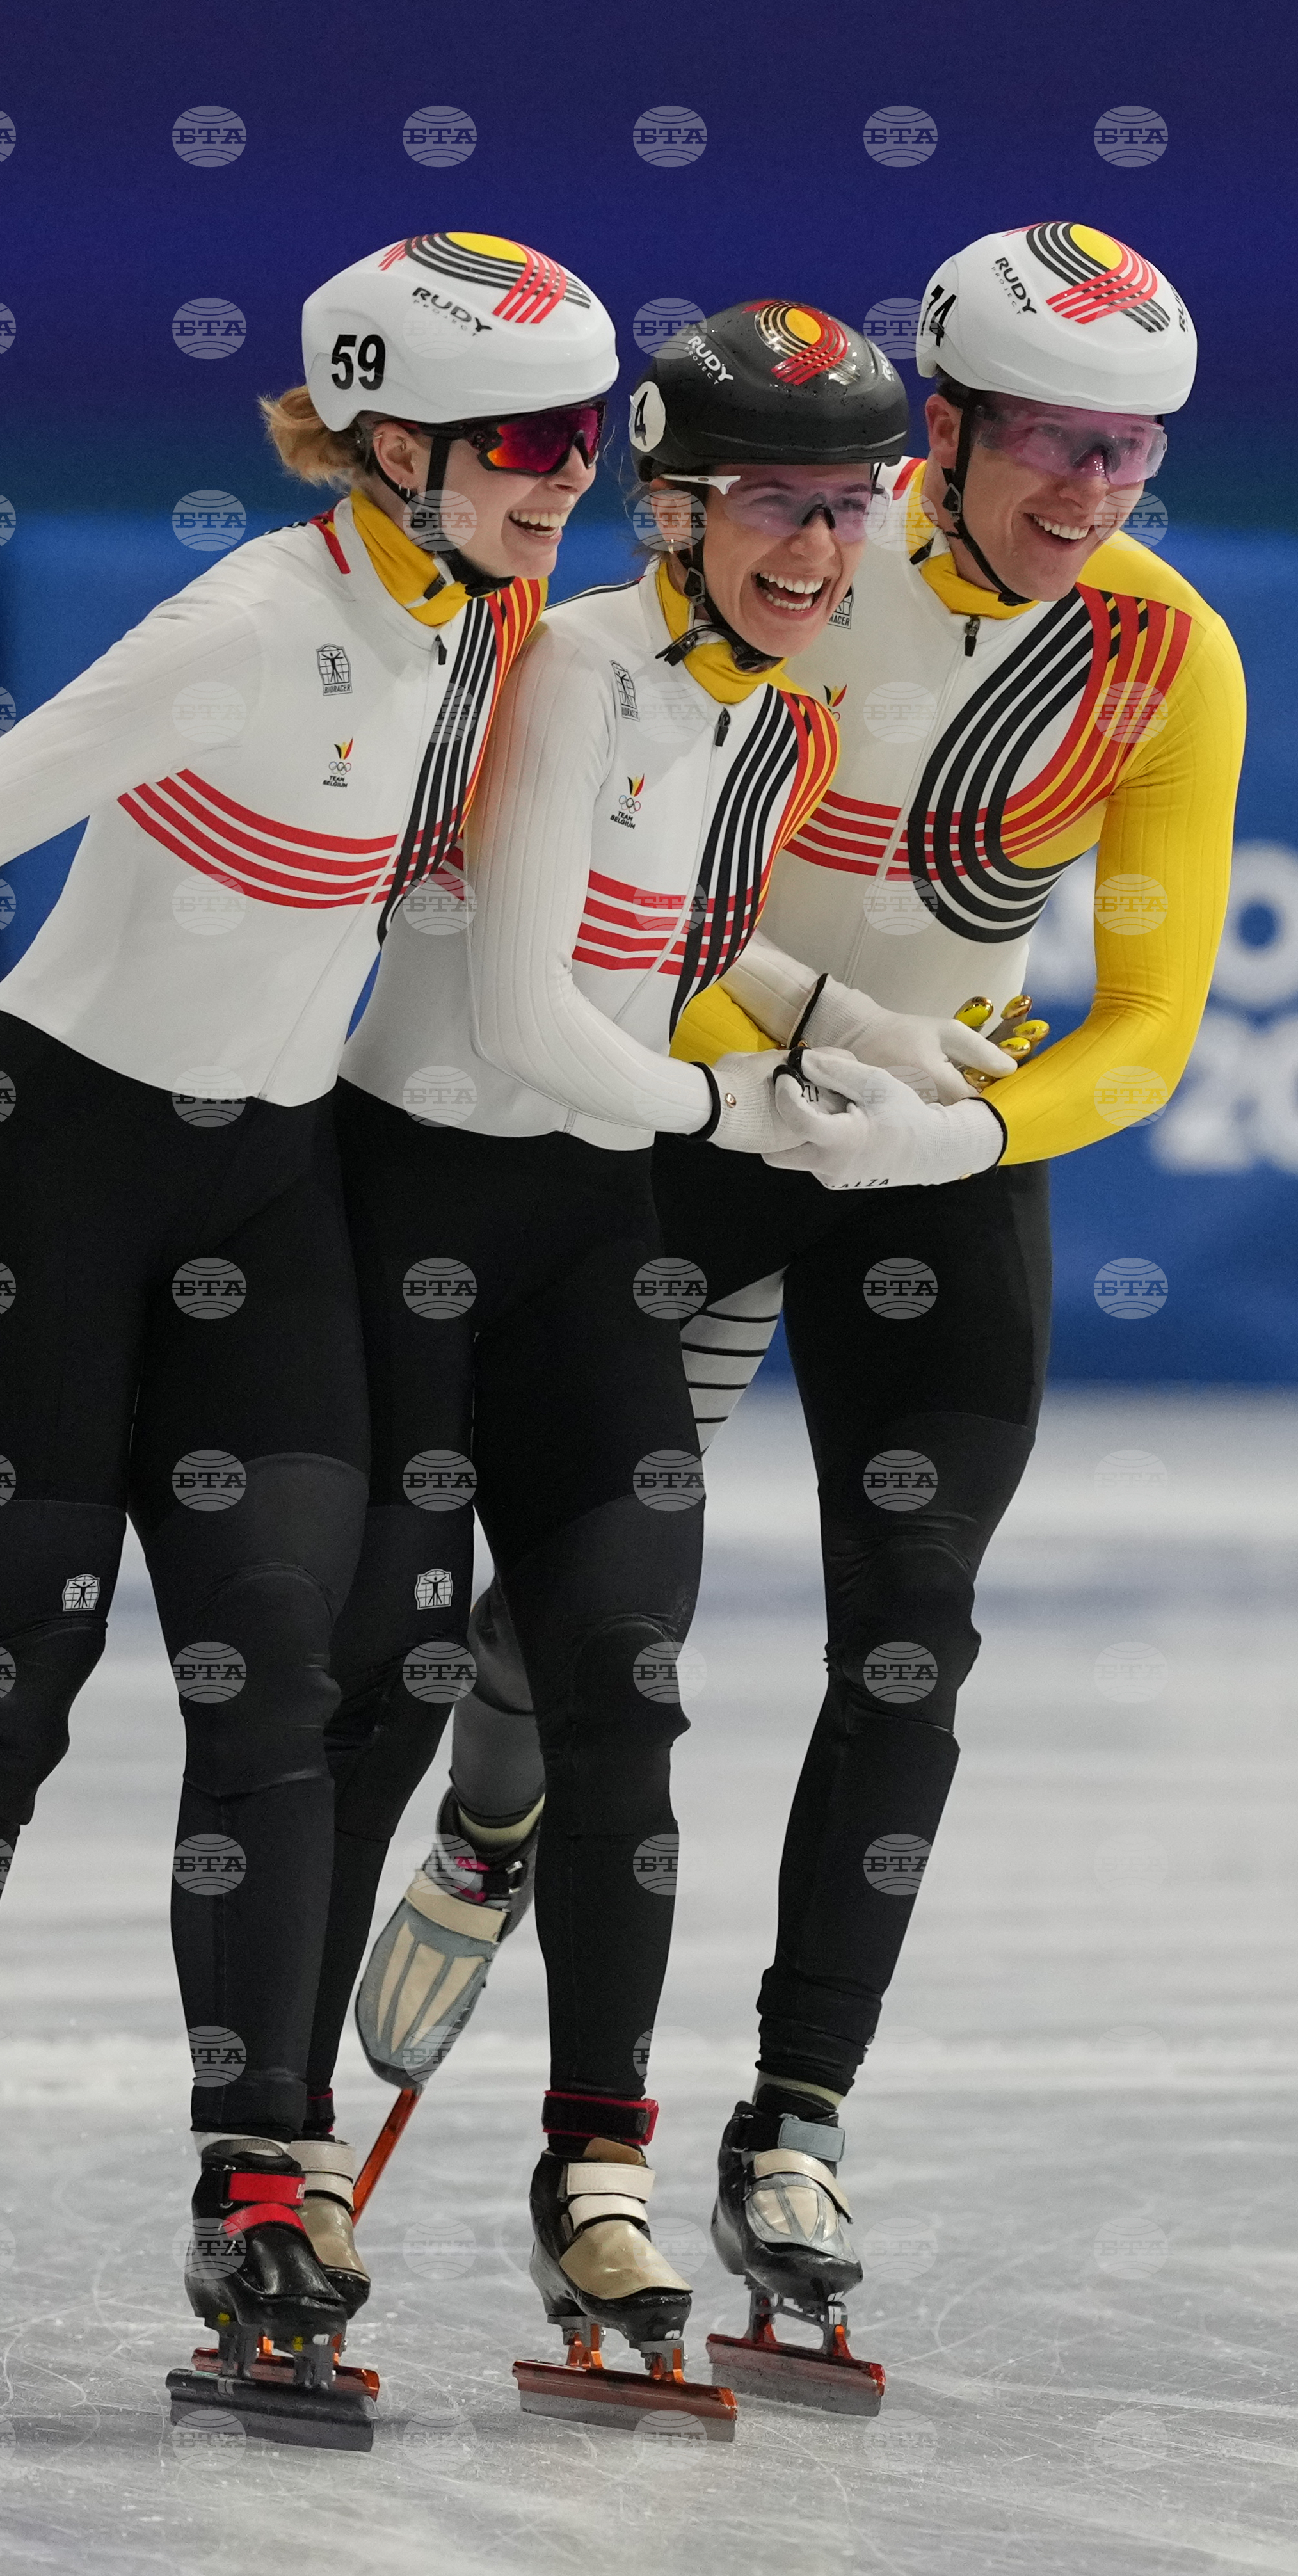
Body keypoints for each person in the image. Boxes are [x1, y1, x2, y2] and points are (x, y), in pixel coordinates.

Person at [0, 230, 616, 2424]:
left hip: (259, 1192)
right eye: (533, 440)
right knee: (9, 1689)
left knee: (278, 1676)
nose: (576, 475)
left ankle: (257, 2176)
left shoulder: (486, 623)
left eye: (596, 434)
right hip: (40, 1175)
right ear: (386, 435)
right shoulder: (238, 630)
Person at [374, 228, 1246, 2380]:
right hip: (704, 1111)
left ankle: (795, 2117)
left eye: (1131, 452)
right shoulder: (788, 561)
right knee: (592, 1619)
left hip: (939, 1149)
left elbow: (1149, 1017)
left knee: (911, 1630)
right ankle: (497, 1807)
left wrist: (967, 1131)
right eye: (1050, 442)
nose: (1091, 492)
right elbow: (628, 889)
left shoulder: (1166, 652)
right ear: (933, 424)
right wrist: (810, 1031)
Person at [302, 301, 918, 2389]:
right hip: (414, 1207)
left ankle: (597, 2171)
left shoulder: (763, 705)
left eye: (849, 507)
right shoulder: (571, 662)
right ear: (669, 507)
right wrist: (732, 1108)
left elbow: (681, 937)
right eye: (776, 504)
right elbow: (522, 1017)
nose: (820, 547)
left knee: (622, 1698)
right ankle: (278, 2159)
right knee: (379, 1684)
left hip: (583, 1238)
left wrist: (866, 1035)